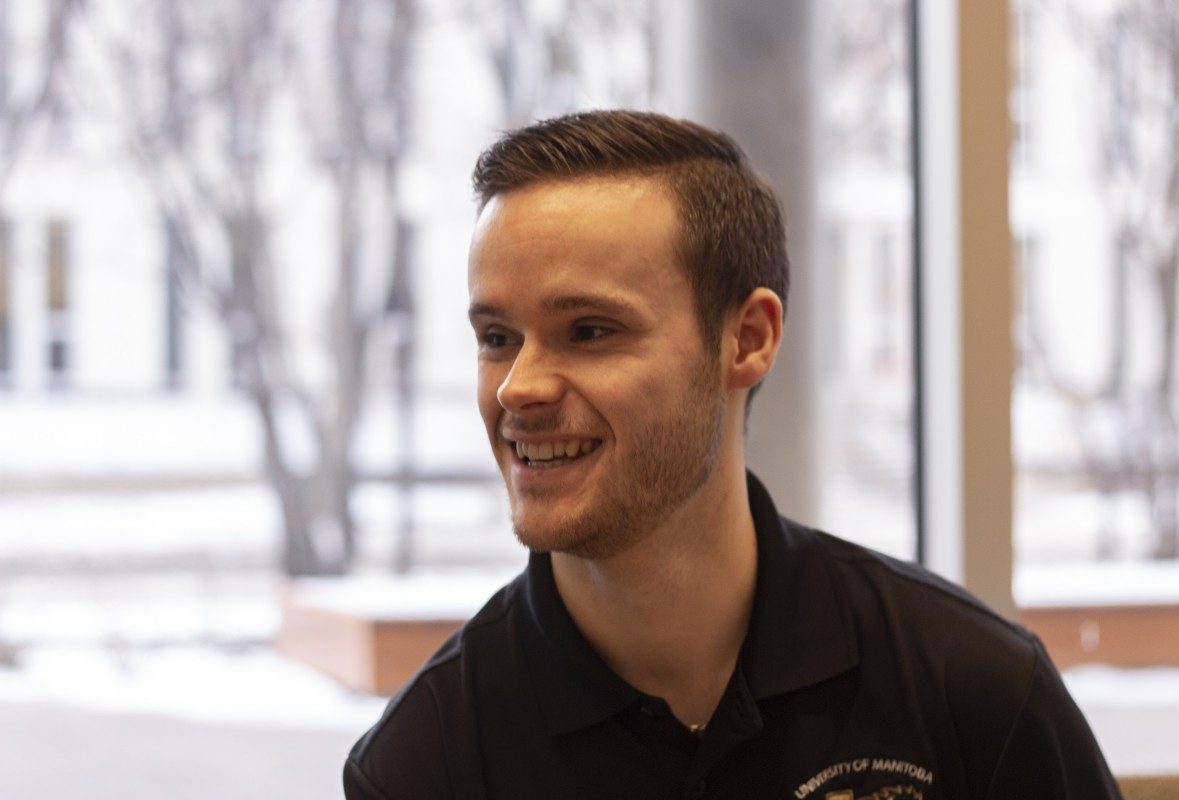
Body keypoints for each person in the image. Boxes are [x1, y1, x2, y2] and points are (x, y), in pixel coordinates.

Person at [344, 110, 1121, 799]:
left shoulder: (973, 692)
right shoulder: (426, 763)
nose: (519, 387)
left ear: (748, 339)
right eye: (496, 338)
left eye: (589, 331)